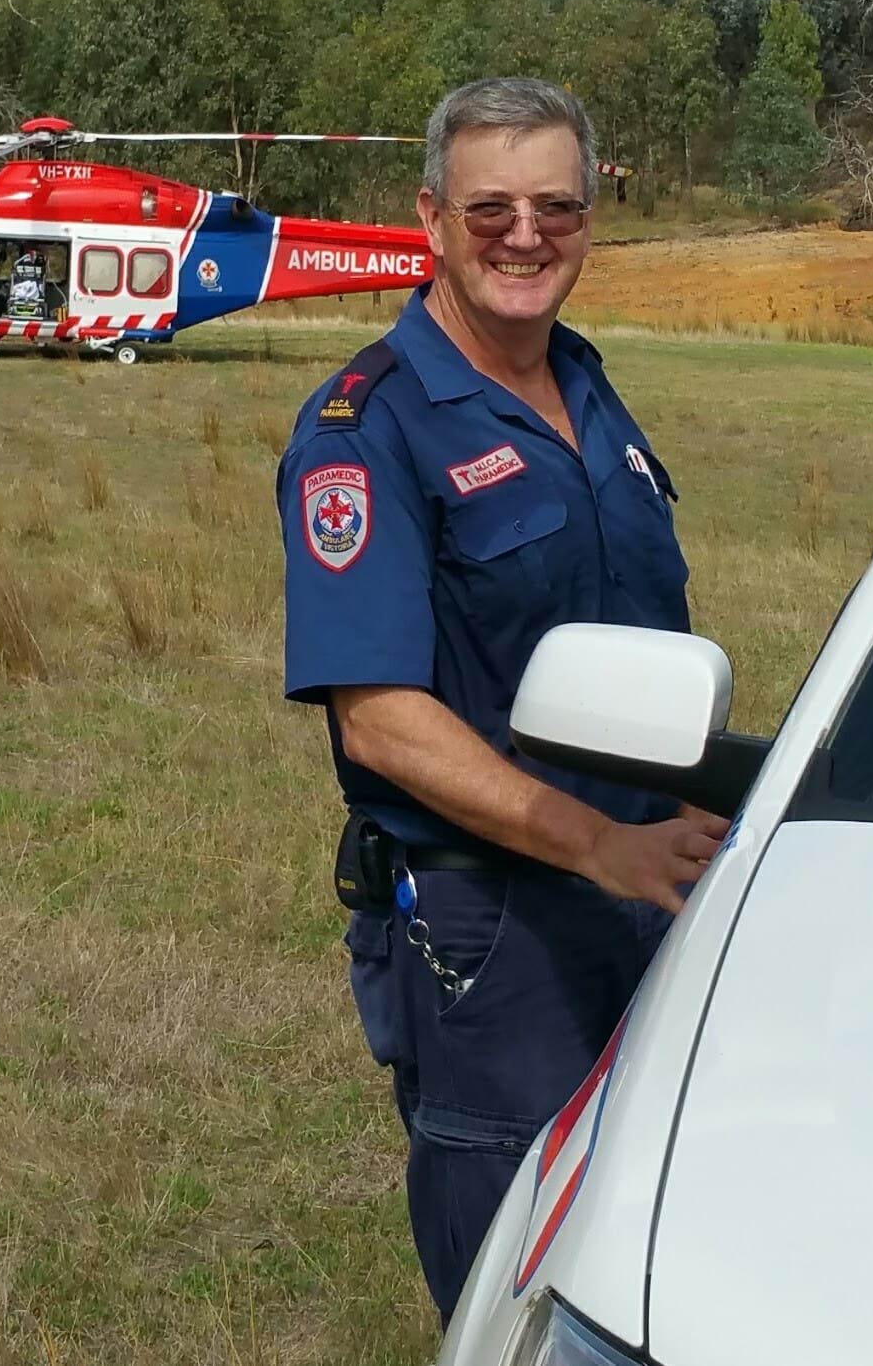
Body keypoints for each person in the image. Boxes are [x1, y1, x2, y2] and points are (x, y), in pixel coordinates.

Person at [276, 77, 726, 1323]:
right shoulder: (367, 429)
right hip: (493, 934)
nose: (525, 237)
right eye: (490, 211)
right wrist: (599, 846)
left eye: (556, 208)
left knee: (638, 1263)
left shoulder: (585, 388)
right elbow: (378, 713)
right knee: (519, 1291)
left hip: (644, 893)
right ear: (429, 218)